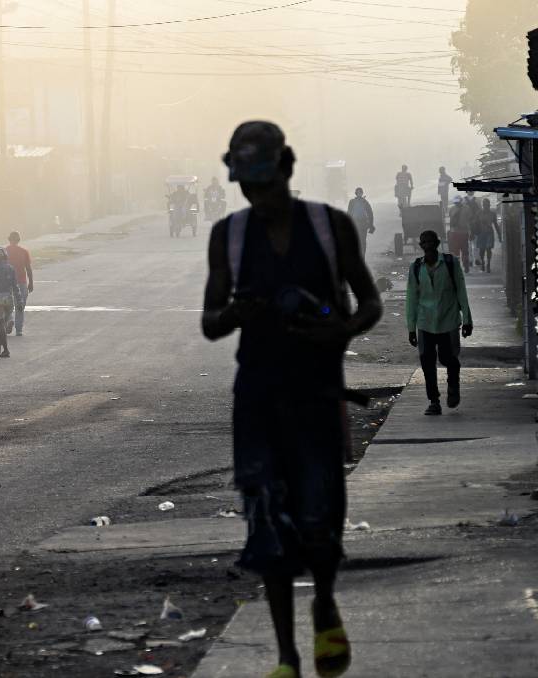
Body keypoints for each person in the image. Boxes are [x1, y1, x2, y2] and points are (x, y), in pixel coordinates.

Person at [201, 121, 381, 678]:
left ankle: (324, 601)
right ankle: (286, 655)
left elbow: (370, 301)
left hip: (318, 393)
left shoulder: (330, 229)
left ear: (286, 169)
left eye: (263, 181)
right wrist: (238, 313)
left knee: (320, 514)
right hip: (256, 396)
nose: (256, 195)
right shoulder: (228, 237)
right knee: (266, 523)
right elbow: (210, 323)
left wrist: (341, 331)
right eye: (247, 186)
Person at [406, 229, 472, 416]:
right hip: (425, 323)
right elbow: (412, 298)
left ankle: (453, 387)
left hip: (448, 321)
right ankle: (434, 401)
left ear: (437, 244)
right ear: (421, 246)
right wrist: (411, 328)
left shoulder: (451, 263)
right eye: (424, 243)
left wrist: (467, 320)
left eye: (430, 242)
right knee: (427, 362)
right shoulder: (416, 268)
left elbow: (461, 291)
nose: (427, 246)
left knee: (448, 358)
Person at [5, 231, 34, 336]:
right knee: (20, 305)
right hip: (21, 282)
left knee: (7, 304)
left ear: (9, 239)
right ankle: (19, 329)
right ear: (19, 240)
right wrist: (30, 282)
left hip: (7, 283)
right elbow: (28, 268)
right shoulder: (24, 251)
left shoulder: (4, 251)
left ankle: (9, 320)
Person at [345, 187, 375, 255]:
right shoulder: (356, 202)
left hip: (361, 224)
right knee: (359, 241)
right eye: (358, 192)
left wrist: (371, 225)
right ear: (357, 193)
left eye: (360, 192)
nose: (359, 194)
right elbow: (349, 213)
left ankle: (361, 255)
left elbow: (370, 213)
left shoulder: (362, 202)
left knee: (362, 241)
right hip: (358, 223)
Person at [446, 196, 471, 273]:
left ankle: (461, 266)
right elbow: (470, 220)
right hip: (462, 233)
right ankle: (465, 266)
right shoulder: (467, 208)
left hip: (456, 233)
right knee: (463, 250)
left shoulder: (452, 209)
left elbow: (450, 223)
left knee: (459, 251)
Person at [474, 198, 499, 273]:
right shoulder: (478, 213)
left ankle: (488, 264)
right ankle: (483, 263)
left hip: (489, 233)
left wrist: (499, 234)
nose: (485, 206)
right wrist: (472, 233)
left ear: (489, 205)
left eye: (487, 205)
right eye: (484, 205)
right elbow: (475, 224)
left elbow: (496, 224)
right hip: (481, 234)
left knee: (488, 249)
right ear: (482, 205)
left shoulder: (492, 214)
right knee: (482, 250)